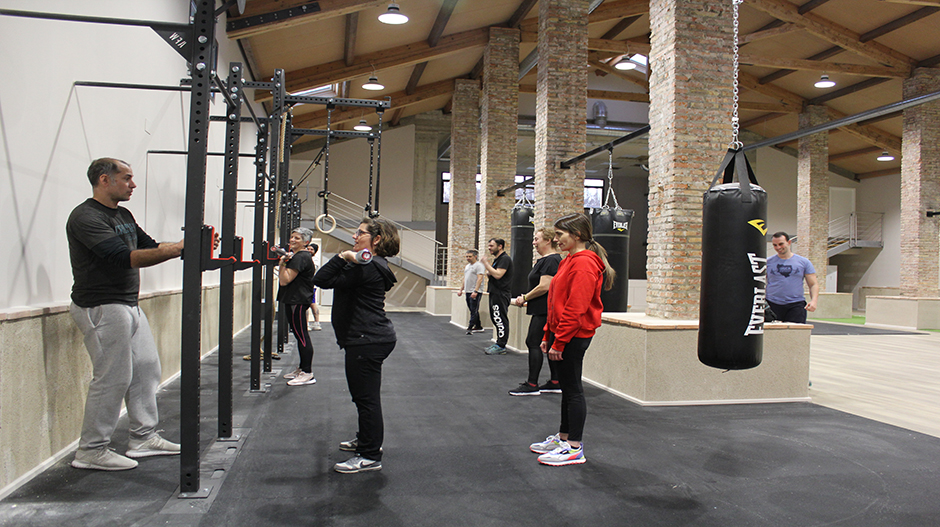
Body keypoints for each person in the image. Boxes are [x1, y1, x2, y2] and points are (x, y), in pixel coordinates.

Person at [66, 158, 184, 471]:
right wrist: (176, 249)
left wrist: (185, 247)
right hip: (101, 305)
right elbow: (123, 257)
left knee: (147, 369)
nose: (133, 184)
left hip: (128, 303)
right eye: (127, 178)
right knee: (112, 379)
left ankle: (142, 438)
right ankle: (91, 450)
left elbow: (149, 246)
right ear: (104, 180)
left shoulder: (123, 214)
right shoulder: (85, 216)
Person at [313, 217, 400, 473]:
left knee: (366, 399)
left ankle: (370, 454)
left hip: (367, 340)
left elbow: (322, 279)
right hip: (369, 338)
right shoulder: (370, 264)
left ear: (376, 239)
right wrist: (350, 258)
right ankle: (366, 440)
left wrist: (342, 257)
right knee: (364, 398)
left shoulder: (367, 267)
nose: (354, 237)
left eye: (360, 233)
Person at [529, 213, 615, 466]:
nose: (555, 240)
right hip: (562, 333)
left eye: (559, 235)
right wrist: (548, 334)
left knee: (573, 389)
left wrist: (560, 340)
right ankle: (564, 438)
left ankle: (574, 447)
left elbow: (576, 307)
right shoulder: (569, 261)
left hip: (574, 335)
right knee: (566, 387)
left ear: (576, 235)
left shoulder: (585, 263)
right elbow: (556, 303)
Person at [509, 227, 562, 396]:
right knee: (545, 344)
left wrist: (525, 297)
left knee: (533, 342)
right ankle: (555, 382)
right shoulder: (544, 260)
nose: (533, 243)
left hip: (545, 310)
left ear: (548, 240)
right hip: (541, 310)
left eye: (536, 239)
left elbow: (545, 286)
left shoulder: (552, 260)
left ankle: (532, 384)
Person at [278, 228, 318, 386]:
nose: (292, 240)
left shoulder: (301, 257)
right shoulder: (299, 256)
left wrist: (282, 263)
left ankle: (307, 373)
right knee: (299, 334)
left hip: (297, 301)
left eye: (297, 238)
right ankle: (302, 368)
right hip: (295, 299)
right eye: (292, 237)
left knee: (302, 336)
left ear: (306, 242)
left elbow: (284, 280)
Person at [766, 231, 818, 324]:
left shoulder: (803, 262)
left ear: (789, 243)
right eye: (775, 245)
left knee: (795, 335)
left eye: (781, 244)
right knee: (772, 335)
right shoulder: (768, 262)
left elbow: (813, 284)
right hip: (772, 303)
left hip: (796, 304)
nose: (778, 247)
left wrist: (814, 301)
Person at [480, 237, 513, 354]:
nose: (489, 248)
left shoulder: (504, 259)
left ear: (500, 246)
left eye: (491, 246)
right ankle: (499, 343)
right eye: (489, 246)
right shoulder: (498, 259)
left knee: (500, 319)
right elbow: (493, 274)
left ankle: (501, 346)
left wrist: (485, 264)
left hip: (501, 293)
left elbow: (498, 275)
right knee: (496, 318)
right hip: (495, 293)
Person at [456, 249, 485, 335]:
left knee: (473, 310)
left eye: (470, 256)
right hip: (468, 291)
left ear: (475, 256)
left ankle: (470, 328)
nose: (468, 258)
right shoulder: (467, 266)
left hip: (475, 291)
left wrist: (476, 291)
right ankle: (479, 326)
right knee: (473, 309)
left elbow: (480, 279)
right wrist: (461, 289)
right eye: (467, 256)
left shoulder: (479, 266)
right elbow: (465, 279)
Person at [305, 242, 322, 331]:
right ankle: (307, 323)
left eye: (311, 249)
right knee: (309, 304)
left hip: (311, 285)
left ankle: (315, 323)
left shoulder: (315, 260)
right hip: (306, 284)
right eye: (308, 249)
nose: (309, 251)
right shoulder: (306, 258)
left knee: (310, 303)